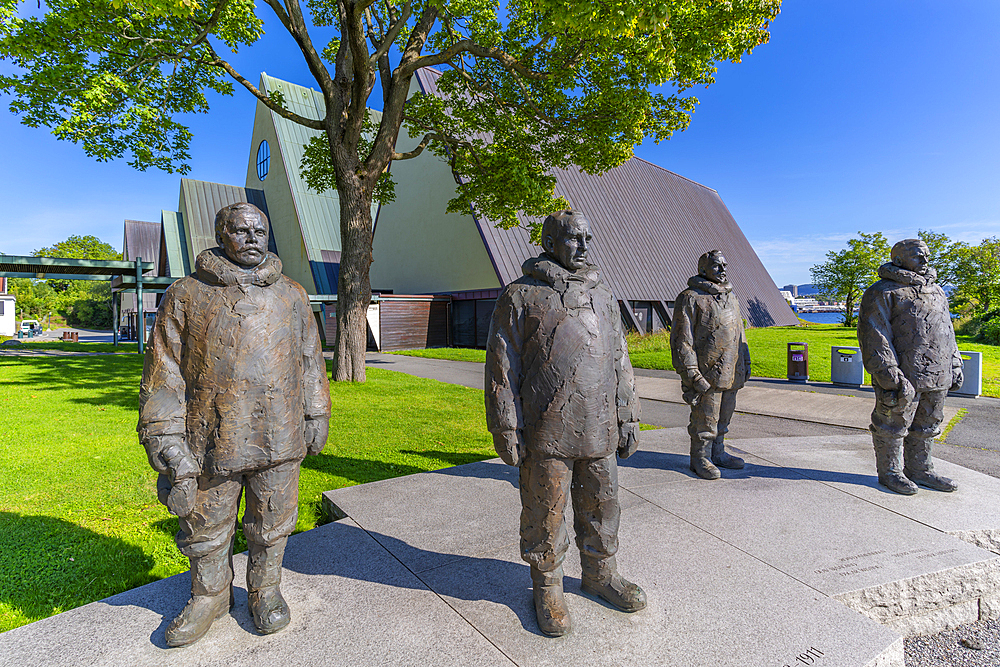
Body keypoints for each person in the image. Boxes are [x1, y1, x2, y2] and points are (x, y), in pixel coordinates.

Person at [138, 202, 331, 647]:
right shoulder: (186, 294)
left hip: (279, 431)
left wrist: (317, 411)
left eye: (259, 231)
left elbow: (309, 359)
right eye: (240, 231)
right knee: (206, 524)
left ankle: (266, 590)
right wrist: (165, 436)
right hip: (210, 437)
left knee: (273, 520)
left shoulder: (292, 294)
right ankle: (209, 595)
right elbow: (163, 371)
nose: (251, 239)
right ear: (221, 235)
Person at [485, 210, 645, 638]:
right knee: (545, 511)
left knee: (602, 504)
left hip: (599, 428)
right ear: (550, 241)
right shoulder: (519, 296)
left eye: (588, 238)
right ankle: (548, 585)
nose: (584, 246)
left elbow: (620, 361)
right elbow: (502, 365)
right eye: (574, 238)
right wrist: (505, 426)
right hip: (546, 429)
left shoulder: (604, 297)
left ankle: (600, 574)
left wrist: (628, 417)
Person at [858, 239, 963, 495]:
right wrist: (889, 374)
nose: (925, 260)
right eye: (917, 256)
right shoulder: (882, 292)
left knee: (928, 424)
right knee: (891, 425)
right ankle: (890, 472)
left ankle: (920, 469)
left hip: (937, 373)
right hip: (903, 376)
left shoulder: (937, 291)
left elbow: (946, 330)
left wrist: (955, 363)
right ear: (898, 260)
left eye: (926, 255)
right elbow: (874, 335)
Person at [670, 250, 751, 480]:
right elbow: (682, 341)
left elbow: (739, 331)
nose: (723, 270)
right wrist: (692, 374)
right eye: (717, 266)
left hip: (731, 369)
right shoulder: (689, 298)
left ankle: (719, 451)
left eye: (724, 265)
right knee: (705, 418)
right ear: (703, 270)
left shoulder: (731, 297)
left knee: (724, 417)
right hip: (706, 372)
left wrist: (745, 360)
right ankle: (700, 457)